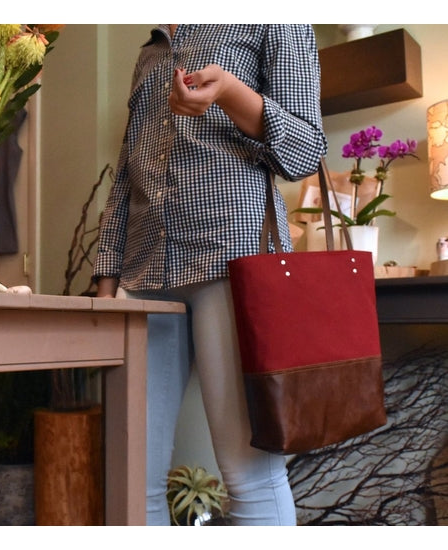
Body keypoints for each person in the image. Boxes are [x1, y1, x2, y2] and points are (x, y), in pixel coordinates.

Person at [93, 24, 327, 526]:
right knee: (133, 479)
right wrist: (106, 286)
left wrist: (231, 93)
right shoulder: (151, 49)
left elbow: (306, 150)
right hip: (145, 274)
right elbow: (126, 176)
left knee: (250, 478)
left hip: (235, 263)